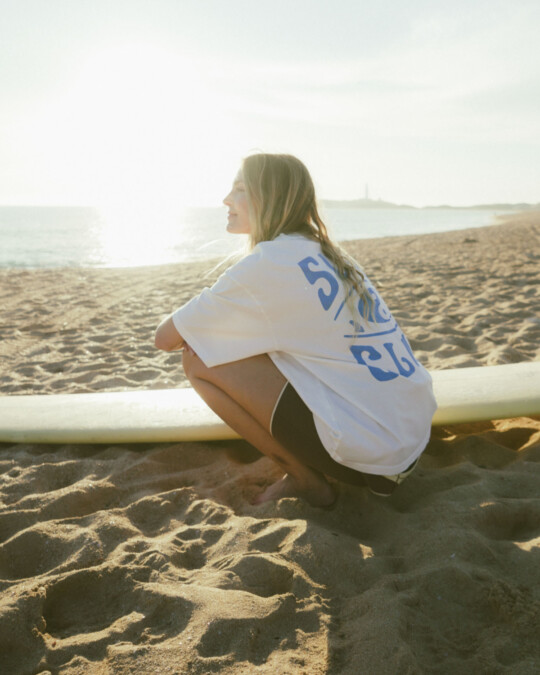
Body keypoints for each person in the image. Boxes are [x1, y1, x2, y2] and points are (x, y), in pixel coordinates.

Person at [155, 153, 437, 507]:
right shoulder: (333, 255)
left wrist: (213, 301)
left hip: (375, 457)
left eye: (240, 189)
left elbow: (165, 338)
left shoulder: (269, 263)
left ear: (270, 197)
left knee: (197, 360)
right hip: (410, 436)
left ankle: (305, 480)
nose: (226, 199)